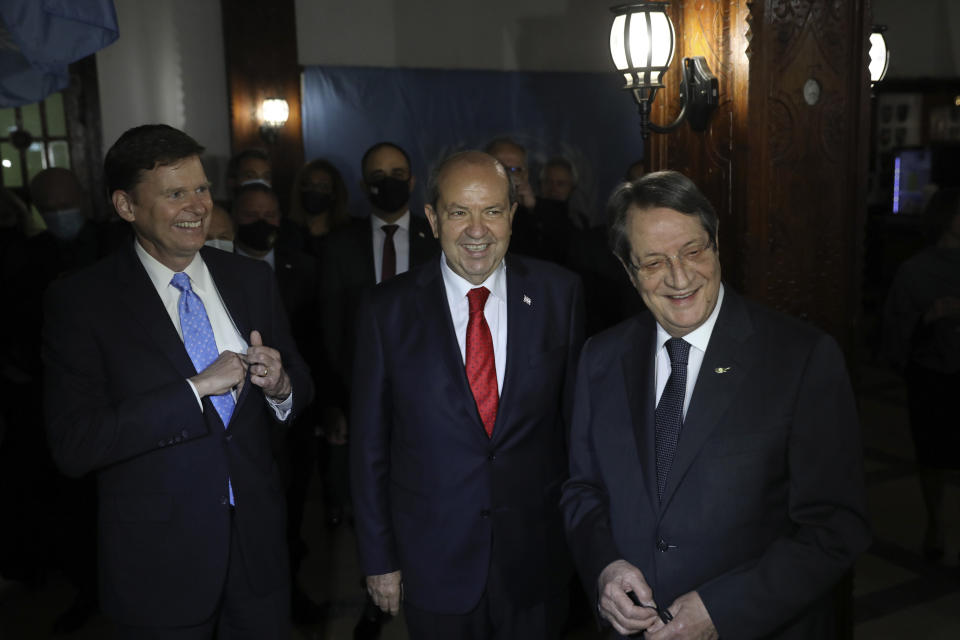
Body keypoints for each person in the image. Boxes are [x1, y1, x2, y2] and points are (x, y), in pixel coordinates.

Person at [560, 171, 870, 639]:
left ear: (716, 242)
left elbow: (835, 527)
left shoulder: (800, 359)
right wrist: (603, 567)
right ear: (628, 269)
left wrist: (723, 610)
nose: (680, 277)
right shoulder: (599, 359)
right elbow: (582, 490)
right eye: (654, 262)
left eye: (692, 251)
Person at [42, 124, 313, 638]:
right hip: (158, 567)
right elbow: (75, 444)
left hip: (259, 561)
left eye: (202, 188)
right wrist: (194, 389)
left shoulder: (250, 279)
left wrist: (280, 387)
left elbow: (300, 383)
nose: (197, 206)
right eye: (174, 193)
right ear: (126, 206)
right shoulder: (82, 303)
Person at [350, 150, 585, 639]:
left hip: (536, 563)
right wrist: (379, 559)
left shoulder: (560, 295)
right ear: (433, 219)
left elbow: (578, 433)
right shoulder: (385, 311)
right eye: (459, 212)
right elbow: (369, 449)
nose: (477, 230)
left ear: (513, 215)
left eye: (493, 211)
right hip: (434, 565)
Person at [319, 140, 437, 639]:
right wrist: (336, 404)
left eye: (397, 172)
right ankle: (376, 603)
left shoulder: (439, 241)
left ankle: (429, 595)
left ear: (412, 181)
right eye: (377, 174)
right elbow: (327, 332)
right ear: (363, 184)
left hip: (431, 410)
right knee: (370, 503)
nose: (387, 181)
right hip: (362, 402)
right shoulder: (338, 247)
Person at [883, 187, 960, 562]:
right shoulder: (916, 270)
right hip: (932, 373)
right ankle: (936, 524)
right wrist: (931, 317)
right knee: (932, 453)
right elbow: (896, 328)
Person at [485, 138, 571, 265]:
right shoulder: (467, 203)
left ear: (526, 175)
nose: (507, 174)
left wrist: (534, 207)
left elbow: (566, 246)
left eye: (515, 170)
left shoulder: (540, 209)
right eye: (500, 167)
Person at [286, 157, 351, 256]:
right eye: (308, 184)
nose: (314, 190)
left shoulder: (347, 234)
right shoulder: (288, 232)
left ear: (334, 193)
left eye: (323, 186)